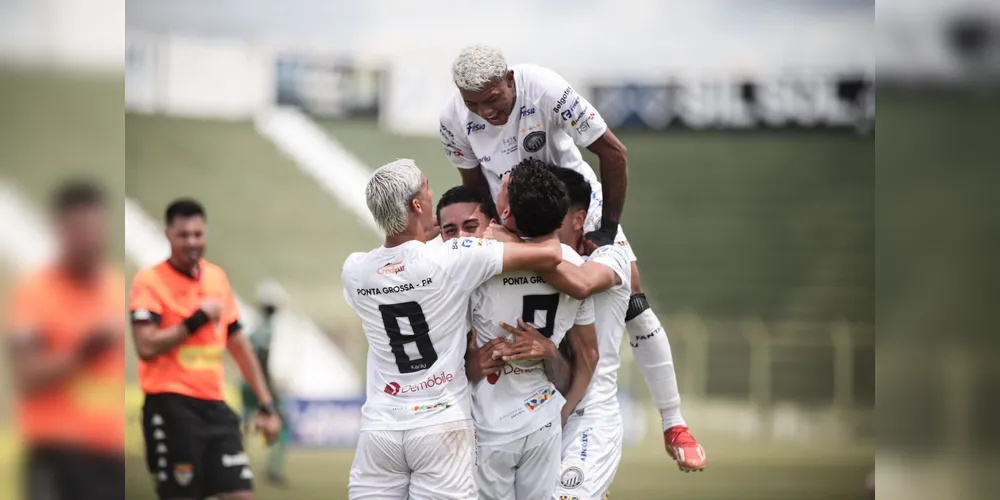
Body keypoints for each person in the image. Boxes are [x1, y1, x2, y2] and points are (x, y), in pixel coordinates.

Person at [439, 44, 706, 471]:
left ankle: (673, 423)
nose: (485, 112)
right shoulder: (453, 120)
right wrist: (494, 234)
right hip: (515, 218)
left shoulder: (544, 88)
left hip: (577, 208)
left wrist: (606, 229)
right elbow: (474, 190)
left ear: (509, 79)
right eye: (475, 105)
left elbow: (614, 153)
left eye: (493, 99)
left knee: (632, 299)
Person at [341, 158, 565, 500]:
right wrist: (504, 213)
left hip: (381, 427)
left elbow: (400, 257)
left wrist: (415, 229)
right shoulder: (456, 256)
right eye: (427, 186)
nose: (432, 194)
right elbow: (550, 253)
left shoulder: (355, 270)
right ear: (418, 204)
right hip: (441, 424)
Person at [464, 159, 600, 500]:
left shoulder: (481, 256)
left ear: (506, 212)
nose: (502, 180)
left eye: (505, 184)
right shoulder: (574, 263)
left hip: (491, 419)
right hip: (542, 416)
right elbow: (589, 353)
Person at [129, 199, 281, 500]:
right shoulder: (150, 281)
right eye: (184, 235)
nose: (192, 241)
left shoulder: (217, 278)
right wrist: (196, 320)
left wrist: (267, 406)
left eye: (197, 234)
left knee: (241, 495)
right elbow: (145, 346)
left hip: (215, 406)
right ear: (168, 235)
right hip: (171, 406)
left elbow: (238, 344)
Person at [4, 181, 125, 500]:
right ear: (62, 231)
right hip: (57, 455)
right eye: (81, 230)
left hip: (109, 457)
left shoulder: (112, 285)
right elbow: (26, 377)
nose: (91, 240)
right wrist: (82, 354)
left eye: (97, 229)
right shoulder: (34, 294)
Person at [544, 165, 639, 498]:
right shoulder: (538, 267)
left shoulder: (610, 258)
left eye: (551, 217)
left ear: (578, 219)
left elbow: (582, 284)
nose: (540, 227)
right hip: (545, 417)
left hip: (591, 418)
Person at [240, 281, 292, 487]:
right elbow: (263, 360)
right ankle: (273, 469)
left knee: (244, 422)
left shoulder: (254, 326)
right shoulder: (269, 329)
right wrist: (267, 388)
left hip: (246, 382)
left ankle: (235, 463)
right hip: (261, 385)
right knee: (282, 422)